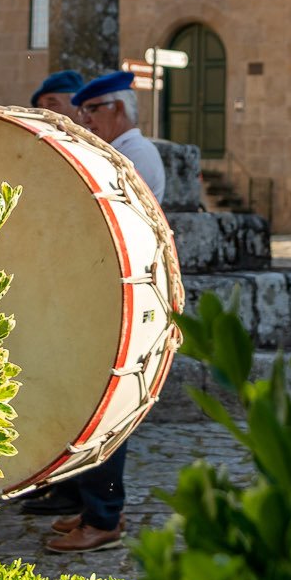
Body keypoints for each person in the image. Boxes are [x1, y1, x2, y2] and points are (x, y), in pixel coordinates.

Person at [43, 69, 166, 554]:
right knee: (96, 405)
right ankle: (93, 507)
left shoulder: (132, 154)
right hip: (114, 292)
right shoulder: (133, 151)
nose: (84, 119)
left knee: (108, 409)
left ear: (115, 108)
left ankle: (103, 518)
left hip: (122, 295)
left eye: (91, 110)